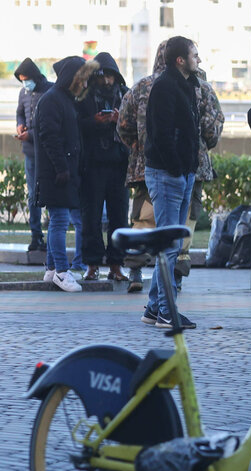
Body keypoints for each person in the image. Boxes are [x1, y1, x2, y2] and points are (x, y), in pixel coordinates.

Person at [141, 36, 202, 329]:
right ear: (180, 59)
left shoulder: (186, 85)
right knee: (168, 245)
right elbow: (161, 134)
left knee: (172, 244)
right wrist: (178, 168)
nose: (198, 59)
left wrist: (187, 169)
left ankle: (155, 307)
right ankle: (167, 312)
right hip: (168, 174)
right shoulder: (165, 86)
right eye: (194, 55)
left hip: (181, 173)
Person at [35, 56, 98, 292]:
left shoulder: (63, 99)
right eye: (81, 80)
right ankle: (61, 271)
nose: (84, 85)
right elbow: (49, 137)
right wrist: (61, 168)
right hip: (56, 173)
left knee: (57, 221)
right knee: (60, 222)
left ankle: (52, 269)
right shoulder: (53, 100)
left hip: (62, 172)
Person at [76, 52, 130, 282]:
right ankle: (92, 264)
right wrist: (94, 122)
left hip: (119, 166)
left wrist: (120, 122)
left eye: (110, 77)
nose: (107, 81)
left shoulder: (126, 95)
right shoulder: (84, 97)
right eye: (102, 77)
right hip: (92, 166)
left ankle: (116, 265)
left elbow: (137, 127)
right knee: (91, 218)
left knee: (119, 218)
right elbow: (76, 125)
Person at [119, 40, 167, 293]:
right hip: (179, 167)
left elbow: (123, 126)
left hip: (143, 167)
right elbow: (211, 127)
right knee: (179, 223)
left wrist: (137, 148)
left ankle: (135, 271)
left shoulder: (140, 87)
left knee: (142, 220)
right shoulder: (195, 87)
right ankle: (174, 278)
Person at [176, 66, 224, 292]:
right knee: (189, 215)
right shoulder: (205, 90)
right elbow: (212, 128)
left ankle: (144, 270)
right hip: (197, 162)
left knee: (158, 215)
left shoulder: (153, 84)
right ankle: (179, 266)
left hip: (160, 163)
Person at [14, 58, 52, 253]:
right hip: (30, 152)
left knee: (50, 195)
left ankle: (51, 237)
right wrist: (20, 125)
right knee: (32, 195)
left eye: (27, 79)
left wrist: (33, 134)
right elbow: (20, 113)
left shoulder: (50, 91)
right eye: (21, 79)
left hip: (47, 153)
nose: (25, 83)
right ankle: (36, 235)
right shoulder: (23, 92)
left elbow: (52, 124)